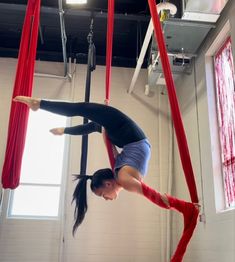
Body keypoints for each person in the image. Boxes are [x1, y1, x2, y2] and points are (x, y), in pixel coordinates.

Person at [13, 96, 199, 241]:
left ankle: (40, 105)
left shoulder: (123, 179)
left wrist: (185, 207)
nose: (106, 199)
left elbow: (156, 197)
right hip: (126, 134)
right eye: (103, 196)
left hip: (125, 132)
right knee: (91, 119)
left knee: (83, 110)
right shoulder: (120, 174)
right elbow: (157, 197)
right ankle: (56, 122)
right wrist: (185, 207)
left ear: (109, 183)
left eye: (103, 195)